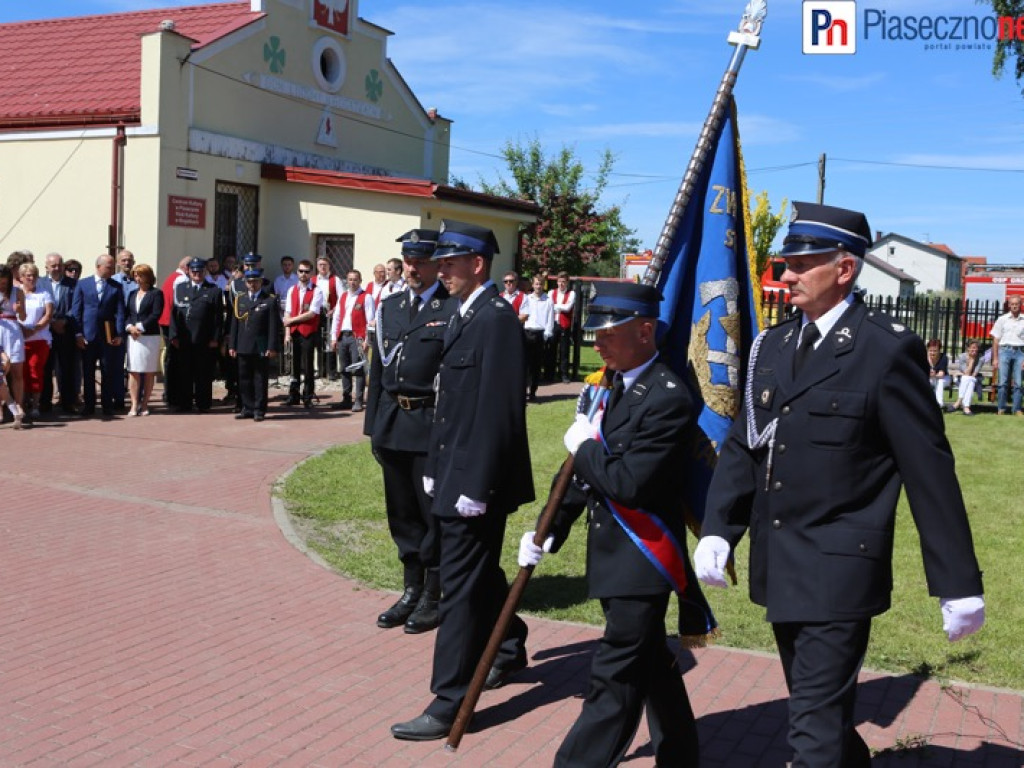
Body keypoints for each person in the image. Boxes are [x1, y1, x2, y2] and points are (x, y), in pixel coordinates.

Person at [694, 202, 986, 768]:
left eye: (803, 263)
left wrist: (957, 581)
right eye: (785, 263)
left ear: (845, 269)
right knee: (820, 712)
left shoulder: (883, 348)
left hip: (840, 569)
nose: (786, 275)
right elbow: (744, 445)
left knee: (812, 733)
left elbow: (928, 468)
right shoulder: (772, 348)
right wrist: (719, 528)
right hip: (780, 562)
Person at [519, 281, 702, 767]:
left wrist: (584, 446)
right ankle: (681, 754)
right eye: (593, 332)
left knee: (615, 674)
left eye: (607, 332)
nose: (595, 342)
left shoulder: (667, 397)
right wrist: (547, 531)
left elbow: (626, 483)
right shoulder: (610, 385)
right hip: (614, 555)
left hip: (643, 559)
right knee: (652, 664)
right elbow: (579, 479)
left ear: (645, 331)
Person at [391, 220, 534, 742]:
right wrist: (434, 468)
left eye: (450, 263)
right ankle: (509, 647)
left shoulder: (494, 320)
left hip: (476, 481)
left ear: (477, 264)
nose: (440, 270)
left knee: (458, 589)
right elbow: (451, 404)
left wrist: (475, 484)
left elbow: (497, 412)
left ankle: (450, 701)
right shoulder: (464, 313)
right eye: (439, 263)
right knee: (474, 575)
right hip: (451, 471)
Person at [364, 229, 449, 634]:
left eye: (421, 261)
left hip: (430, 424)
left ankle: (434, 593)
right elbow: (377, 372)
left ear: (437, 263)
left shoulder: (451, 308)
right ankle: (411, 588)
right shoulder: (391, 305)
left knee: (431, 514)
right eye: (408, 260)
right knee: (402, 515)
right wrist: (374, 429)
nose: (412, 267)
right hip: (394, 424)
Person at [70, 254, 125, 418]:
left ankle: (107, 405)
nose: (112, 269)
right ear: (99, 266)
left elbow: (120, 312)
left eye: (112, 266)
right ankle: (89, 405)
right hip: (88, 335)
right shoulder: (83, 284)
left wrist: (119, 333)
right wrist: (78, 333)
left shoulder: (116, 286)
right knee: (88, 372)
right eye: (109, 266)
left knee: (108, 371)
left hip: (107, 335)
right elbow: (76, 311)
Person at [169, 258, 223, 413]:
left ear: (204, 272)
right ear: (189, 271)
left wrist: (215, 338)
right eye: (194, 271)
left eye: (200, 271)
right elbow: (174, 313)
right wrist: (173, 336)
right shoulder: (180, 288)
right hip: (184, 339)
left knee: (203, 374)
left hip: (204, 339)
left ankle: (203, 403)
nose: (197, 274)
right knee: (184, 373)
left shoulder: (213, 290)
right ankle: (185, 403)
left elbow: (218, 318)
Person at [229, 267, 281, 422]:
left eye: (255, 281)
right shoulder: (240, 299)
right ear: (245, 283)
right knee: (244, 378)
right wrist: (232, 345)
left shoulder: (269, 300)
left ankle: (259, 409)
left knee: (259, 379)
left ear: (261, 282)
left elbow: (273, 326)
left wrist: (272, 347)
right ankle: (247, 407)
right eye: (250, 281)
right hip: (243, 345)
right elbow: (235, 325)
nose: (252, 284)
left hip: (260, 345)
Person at [329, 270, 373, 412]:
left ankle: (359, 400)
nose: (352, 282)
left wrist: (367, 340)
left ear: (360, 281)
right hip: (343, 336)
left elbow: (370, 320)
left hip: (357, 338)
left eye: (355, 279)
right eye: (350, 279)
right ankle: (346, 398)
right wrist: (334, 337)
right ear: (346, 281)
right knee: (344, 369)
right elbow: (336, 318)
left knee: (358, 369)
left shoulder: (366, 297)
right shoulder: (343, 297)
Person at [282, 259, 324, 408]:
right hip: (294, 333)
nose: (303, 274)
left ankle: (308, 396)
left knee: (307, 366)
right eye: (301, 271)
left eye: (306, 271)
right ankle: (293, 395)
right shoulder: (292, 290)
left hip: (308, 333)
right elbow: (287, 313)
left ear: (311, 273)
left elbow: (312, 314)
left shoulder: (317, 290)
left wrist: (292, 320)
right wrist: (287, 333)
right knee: (294, 366)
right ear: (297, 272)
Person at [124, 263, 164, 417]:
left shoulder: (156, 294)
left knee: (148, 372)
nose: (137, 279)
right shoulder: (132, 294)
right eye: (135, 275)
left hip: (149, 337)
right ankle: (134, 404)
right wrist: (129, 327)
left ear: (148, 277)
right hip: (133, 337)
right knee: (133, 371)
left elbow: (156, 314)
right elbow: (128, 313)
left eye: (140, 275)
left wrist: (139, 327)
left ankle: (145, 404)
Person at [17, 262, 54, 422]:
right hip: (19, 338)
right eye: (28, 276)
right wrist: (21, 329)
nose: (31, 278)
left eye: (34, 275)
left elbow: (48, 314)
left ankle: (35, 405)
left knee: (35, 370)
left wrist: (34, 329)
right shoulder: (16, 293)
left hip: (40, 338)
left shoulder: (44, 293)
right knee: (21, 372)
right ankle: (22, 405)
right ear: (21, 278)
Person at [520, 274, 554, 401]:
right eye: (536, 284)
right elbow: (523, 315)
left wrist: (546, 335)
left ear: (543, 285)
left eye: (540, 284)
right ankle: (523, 391)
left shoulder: (548, 300)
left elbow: (550, 319)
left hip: (540, 334)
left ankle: (533, 391)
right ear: (532, 285)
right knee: (525, 364)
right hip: (527, 333)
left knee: (536, 365)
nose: (538, 286)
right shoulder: (527, 299)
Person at [0, 265, 27, 422]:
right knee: (0, 373)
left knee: (17, 372)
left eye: (5, 282)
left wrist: (20, 309)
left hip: (13, 332)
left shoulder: (17, 291)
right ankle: (1, 409)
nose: (2, 285)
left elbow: (23, 318)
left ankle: (19, 405)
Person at [990, 294, 1024, 416]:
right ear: (1009, 305)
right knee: (1003, 382)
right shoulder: (1002, 319)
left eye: (1017, 304)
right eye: (1012, 304)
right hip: (1004, 351)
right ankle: (1001, 408)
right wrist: (995, 358)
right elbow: (995, 340)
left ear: (1021, 305)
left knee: (1018, 383)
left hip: (1020, 352)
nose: (1014, 306)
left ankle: (1017, 409)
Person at [312, 256, 343, 380]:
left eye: (325, 264)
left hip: (331, 313)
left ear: (329, 266)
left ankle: (332, 371)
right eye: (320, 265)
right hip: (317, 314)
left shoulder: (336, 280)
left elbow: (342, 298)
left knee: (330, 342)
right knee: (319, 342)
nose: (323, 267)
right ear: (317, 266)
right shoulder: (313, 280)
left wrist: (334, 310)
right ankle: (320, 370)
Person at [551, 271, 576, 383]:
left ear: (567, 283)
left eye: (564, 282)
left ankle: (564, 374)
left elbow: (568, 308)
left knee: (564, 351)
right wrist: (560, 307)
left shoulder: (571, 294)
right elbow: (549, 307)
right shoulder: (552, 292)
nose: (561, 284)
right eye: (560, 282)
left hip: (564, 324)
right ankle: (549, 374)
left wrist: (556, 306)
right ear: (557, 282)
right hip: (552, 324)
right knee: (551, 350)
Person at [950, 340, 982, 415]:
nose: (974, 350)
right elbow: (966, 372)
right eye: (972, 348)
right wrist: (971, 361)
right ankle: (966, 408)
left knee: (969, 379)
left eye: (976, 348)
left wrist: (972, 360)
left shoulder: (981, 358)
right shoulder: (962, 356)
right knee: (968, 380)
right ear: (968, 348)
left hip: (973, 378)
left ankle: (958, 402)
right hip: (961, 379)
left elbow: (973, 374)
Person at [926, 338, 949, 407]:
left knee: (940, 381)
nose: (932, 353)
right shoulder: (924, 357)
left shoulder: (944, 357)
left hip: (944, 378)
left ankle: (939, 404)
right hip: (930, 378)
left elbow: (941, 374)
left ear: (939, 350)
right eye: (930, 350)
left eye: (935, 351)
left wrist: (934, 375)